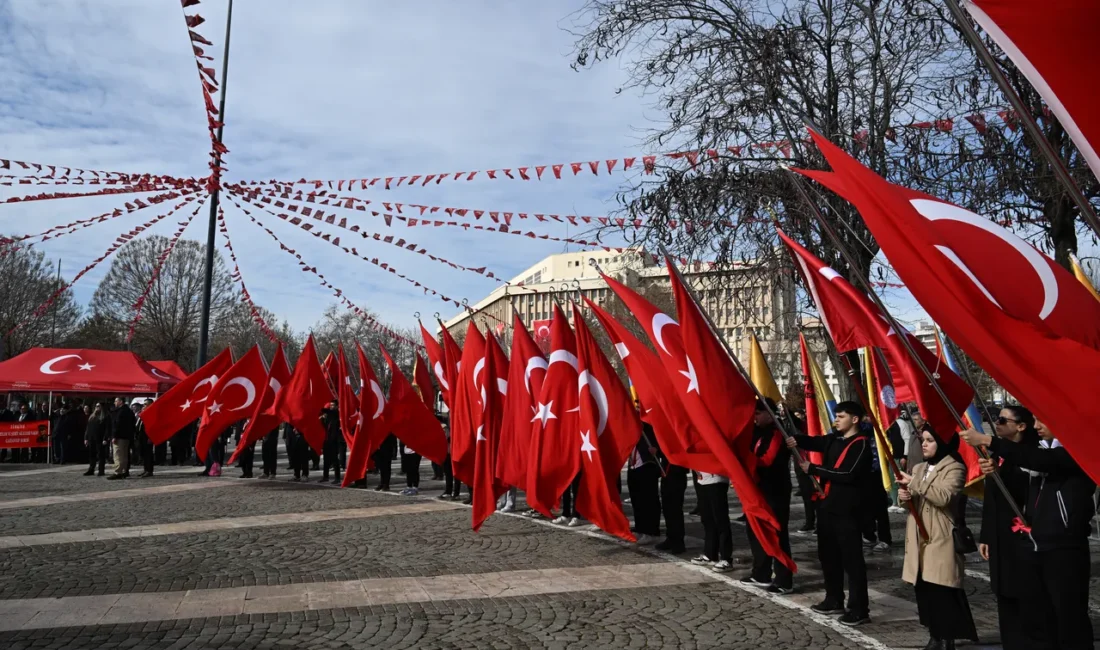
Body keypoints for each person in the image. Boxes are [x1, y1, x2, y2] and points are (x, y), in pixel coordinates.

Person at [963, 416, 1096, 650]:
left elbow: (1041, 461)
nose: (1037, 426)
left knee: (1069, 618)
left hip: (1065, 548)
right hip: (1035, 545)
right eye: (1034, 419)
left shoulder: (1077, 450)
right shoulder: (1040, 451)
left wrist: (987, 439)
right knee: (1040, 616)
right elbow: (1020, 479)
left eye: (1043, 419)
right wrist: (997, 470)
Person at [787, 400, 872, 626]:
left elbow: (847, 473)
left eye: (841, 416)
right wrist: (796, 438)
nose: (836, 420)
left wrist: (814, 469)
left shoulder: (861, 444)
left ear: (854, 419)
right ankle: (834, 598)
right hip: (827, 506)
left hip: (848, 510)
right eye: (836, 416)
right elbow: (817, 442)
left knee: (852, 560)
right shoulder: (835, 439)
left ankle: (859, 608)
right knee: (828, 556)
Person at [898, 428, 978, 649]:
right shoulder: (919, 467)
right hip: (917, 535)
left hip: (940, 536)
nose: (924, 444)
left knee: (942, 589)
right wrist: (905, 497)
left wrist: (914, 482)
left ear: (942, 444)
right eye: (923, 440)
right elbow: (913, 501)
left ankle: (946, 638)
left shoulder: (955, 468)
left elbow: (942, 497)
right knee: (923, 590)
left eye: (930, 440)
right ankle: (934, 634)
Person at [976, 406, 1042, 650]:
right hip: (1000, 536)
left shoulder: (1030, 454)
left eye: (1003, 420)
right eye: (997, 419)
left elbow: (1026, 492)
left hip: (1022, 536)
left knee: (1025, 595)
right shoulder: (999, 455)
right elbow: (991, 500)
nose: (998, 423)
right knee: (1004, 595)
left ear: (1021, 426)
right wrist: (986, 535)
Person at [743, 398, 793, 593]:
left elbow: (767, 459)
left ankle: (784, 579)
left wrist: (745, 460)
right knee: (755, 531)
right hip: (756, 490)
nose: (754, 418)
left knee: (777, 533)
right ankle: (761, 573)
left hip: (775, 490)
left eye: (757, 414)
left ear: (768, 413)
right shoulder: (755, 433)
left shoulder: (777, 433)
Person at [626, 419, 663, 545]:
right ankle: (641, 527)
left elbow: (659, 437)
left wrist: (657, 448)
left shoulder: (647, 425)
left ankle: (652, 531)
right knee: (636, 499)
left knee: (649, 499)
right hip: (633, 465)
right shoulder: (631, 426)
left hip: (647, 464)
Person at [690, 469, 733, 572]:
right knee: (707, 519)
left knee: (720, 520)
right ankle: (710, 554)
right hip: (702, 478)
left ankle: (726, 558)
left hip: (716, 478)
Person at [655, 462, 688, 553]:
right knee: (667, 509)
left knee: (675, 510)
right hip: (667, 474)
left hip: (676, 474)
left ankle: (678, 542)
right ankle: (671, 538)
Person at [107, 397, 136, 480]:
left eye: (116, 401)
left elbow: (117, 424)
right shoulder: (129, 411)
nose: (115, 403)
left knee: (118, 455)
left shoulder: (120, 412)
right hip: (127, 437)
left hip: (119, 437)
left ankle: (118, 472)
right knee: (124, 455)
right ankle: (125, 471)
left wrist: (114, 436)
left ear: (120, 402)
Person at [83, 402, 110, 476]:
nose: (97, 407)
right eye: (96, 406)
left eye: (98, 406)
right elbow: (88, 428)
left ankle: (101, 470)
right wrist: (86, 438)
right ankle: (91, 469)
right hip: (91, 438)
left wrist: (105, 438)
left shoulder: (105, 417)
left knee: (101, 455)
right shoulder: (92, 416)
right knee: (92, 454)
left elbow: (107, 429)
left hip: (100, 438)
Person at [320, 402, 342, 484]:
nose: (331, 407)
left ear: (337, 406)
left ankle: (337, 477)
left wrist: (318, 406)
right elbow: (325, 427)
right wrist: (323, 419)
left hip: (334, 440)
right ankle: (325, 476)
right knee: (326, 459)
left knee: (335, 460)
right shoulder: (329, 416)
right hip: (327, 440)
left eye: (333, 405)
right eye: (330, 405)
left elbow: (329, 411)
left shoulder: (337, 413)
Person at [135, 399, 156, 478]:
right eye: (143, 404)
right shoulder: (143, 414)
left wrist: (151, 437)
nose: (143, 406)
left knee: (148, 454)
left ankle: (149, 470)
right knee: (143, 454)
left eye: (145, 404)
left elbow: (152, 427)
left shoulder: (151, 414)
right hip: (141, 437)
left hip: (147, 437)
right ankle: (145, 469)